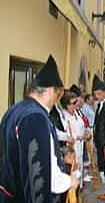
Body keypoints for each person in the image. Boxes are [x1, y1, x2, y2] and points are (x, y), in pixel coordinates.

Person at [0, 55, 79, 202]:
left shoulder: (14, 110)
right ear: (50, 91)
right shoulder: (36, 117)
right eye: (57, 94)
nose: (56, 100)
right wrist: (69, 181)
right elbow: (42, 175)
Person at [61, 91, 90, 188]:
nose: (76, 104)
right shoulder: (64, 116)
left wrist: (86, 132)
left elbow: (81, 125)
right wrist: (80, 137)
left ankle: (79, 191)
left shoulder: (76, 113)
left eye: (76, 102)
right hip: (72, 147)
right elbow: (67, 133)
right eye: (73, 103)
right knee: (73, 171)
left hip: (80, 145)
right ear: (67, 105)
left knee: (80, 168)